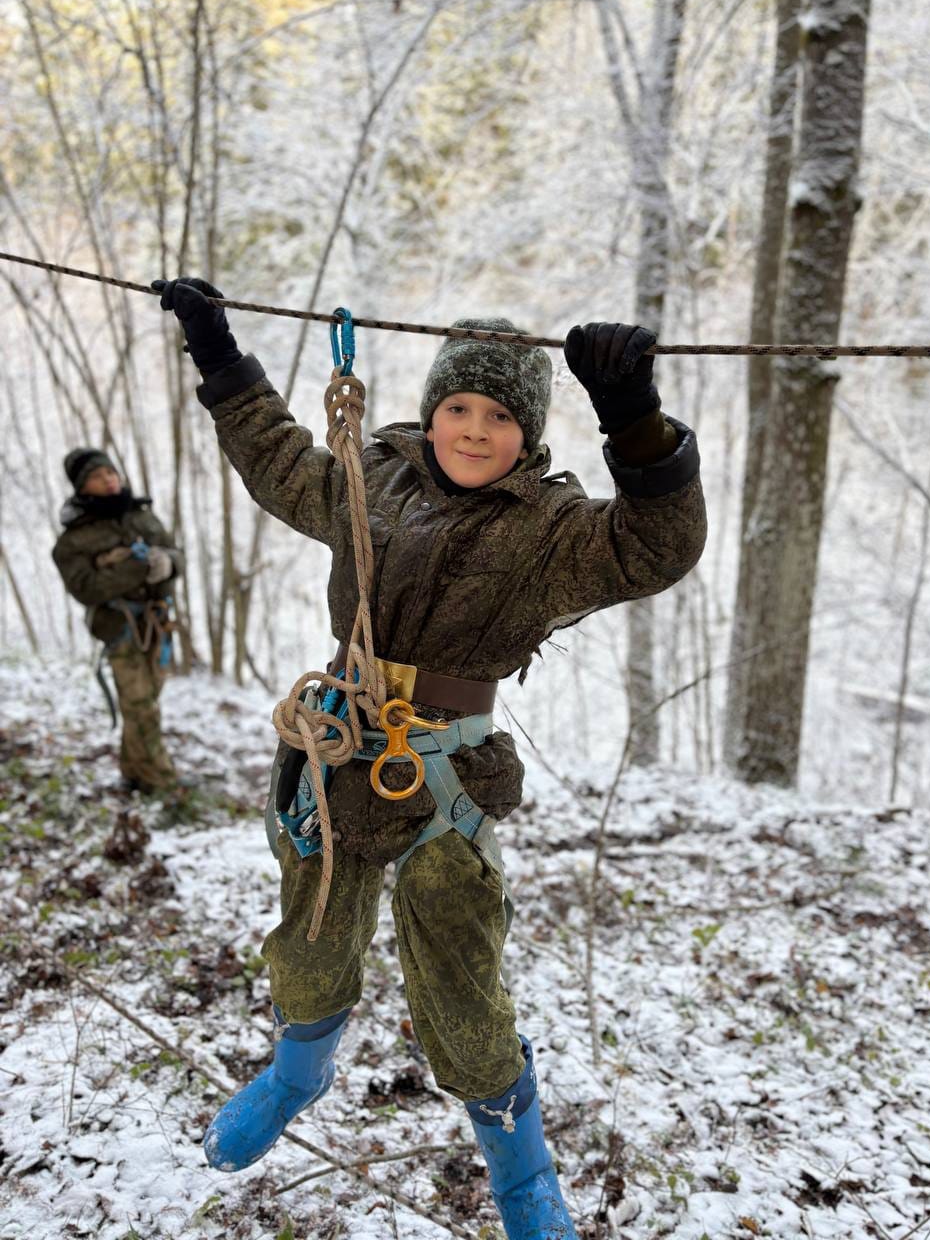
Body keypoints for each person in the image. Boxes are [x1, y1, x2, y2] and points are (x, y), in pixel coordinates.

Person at [154, 275, 707, 1239]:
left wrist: (634, 416)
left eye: (499, 415)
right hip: (334, 760)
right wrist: (217, 351)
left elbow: (657, 545)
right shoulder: (371, 480)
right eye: (457, 406)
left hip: (444, 779)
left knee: (461, 981)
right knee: (312, 936)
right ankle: (297, 1072)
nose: (474, 429)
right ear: (431, 411)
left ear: (528, 435)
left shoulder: (551, 530)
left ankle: (522, 1168)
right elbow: (277, 457)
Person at [53, 449, 184, 794]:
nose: (109, 479)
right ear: (84, 486)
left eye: (111, 472)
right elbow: (87, 588)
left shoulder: (141, 515)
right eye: (98, 476)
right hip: (119, 629)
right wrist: (136, 565)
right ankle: (162, 783)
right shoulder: (73, 540)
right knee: (141, 706)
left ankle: (133, 772)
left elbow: (175, 554)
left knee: (144, 702)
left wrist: (167, 564)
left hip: (157, 624)